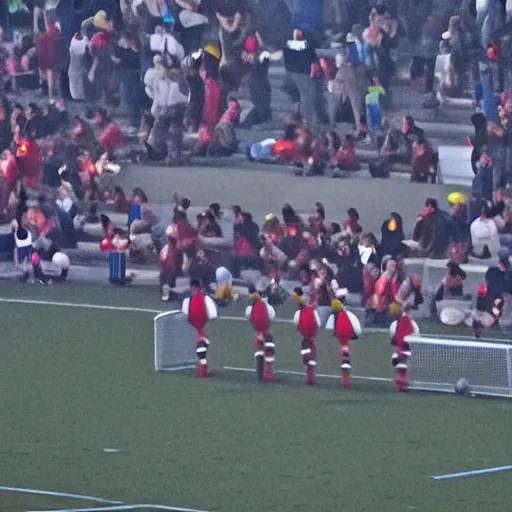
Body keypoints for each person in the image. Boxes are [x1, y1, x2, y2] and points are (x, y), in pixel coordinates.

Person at [181, 278, 218, 378]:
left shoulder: (187, 300)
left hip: (193, 328)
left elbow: (184, 313)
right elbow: (213, 314)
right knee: (202, 347)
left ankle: (202, 368)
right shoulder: (205, 298)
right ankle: (203, 369)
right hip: (203, 327)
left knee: (200, 346)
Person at [325, 297, 361, 388]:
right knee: (345, 358)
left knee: (345, 358)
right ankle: (345, 380)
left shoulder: (341, 317)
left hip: (345, 340)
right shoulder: (345, 315)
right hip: (347, 339)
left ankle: (345, 380)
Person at [245, 287, 276, 381]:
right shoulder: (268, 307)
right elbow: (272, 316)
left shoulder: (250, 308)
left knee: (260, 350)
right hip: (266, 333)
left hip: (258, 333)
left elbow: (249, 317)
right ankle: (267, 370)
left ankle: (261, 372)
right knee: (269, 351)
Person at [292, 287, 321, 386]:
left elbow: (296, 323)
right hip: (312, 339)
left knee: (305, 358)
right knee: (312, 358)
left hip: (305, 340)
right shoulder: (313, 312)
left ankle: (307, 377)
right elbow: (318, 323)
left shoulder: (298, 313)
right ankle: (311, 377)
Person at [389, 306, 419, 392]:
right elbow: (414, 336)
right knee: (404, 366)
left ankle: (400, 384)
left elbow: (393, 338)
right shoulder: (409, 323)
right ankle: (402, 383)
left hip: (399, 350)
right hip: (404, 351)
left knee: (400, 368)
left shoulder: (397, 322)